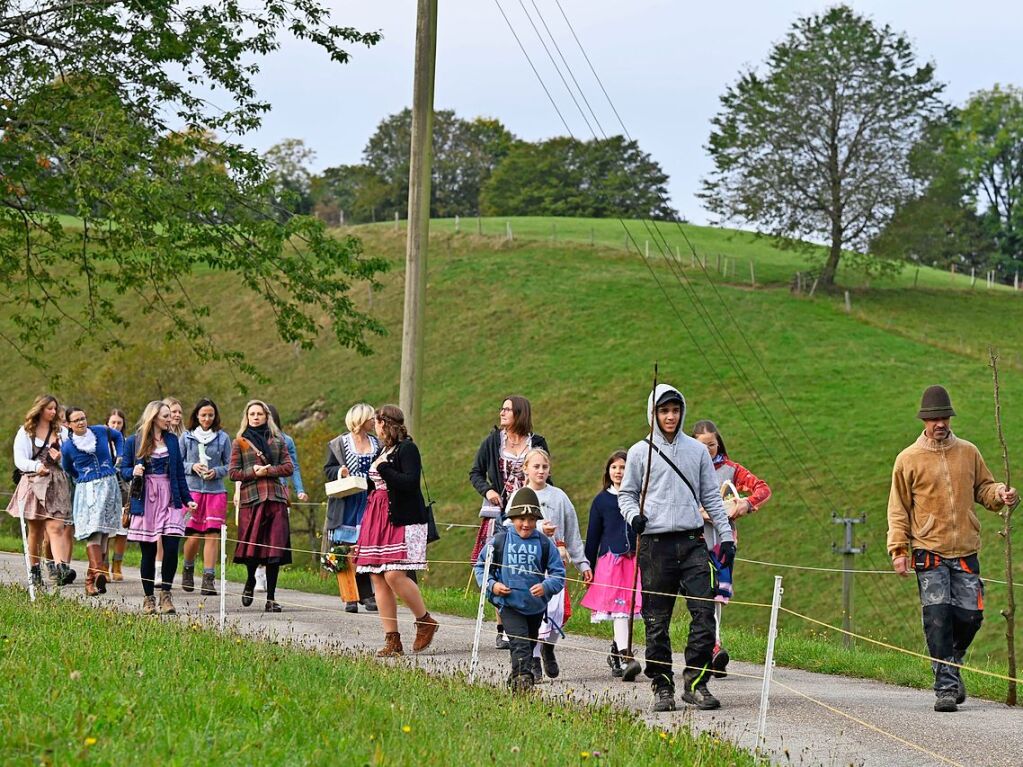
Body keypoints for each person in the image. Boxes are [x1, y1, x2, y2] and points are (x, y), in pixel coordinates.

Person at [887, 385, 1017, 713]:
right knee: (937, 618)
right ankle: (945, 686)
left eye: (944, 416)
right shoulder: (908, 459)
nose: (940, 423)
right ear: (924, 421)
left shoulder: (969, 452)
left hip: (966, 550)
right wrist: (899, 549)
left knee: (971, 616)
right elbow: (898, 508)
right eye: (934, 418)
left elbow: (984, 489)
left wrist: (1001, 493)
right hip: (928, 551)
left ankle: (951, 663)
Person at [619, 383, 735, 713]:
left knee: (704, 613)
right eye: (664, 411)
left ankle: (696, 683)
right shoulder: (640, 452)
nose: (671, 416)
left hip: (692, 540)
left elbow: (712, 497)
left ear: (682, 411)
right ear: (653, 414)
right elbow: (626, 495)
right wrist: (634, 517)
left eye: (675, 410)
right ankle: (662, 686)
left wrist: (725, 537)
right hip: (654, 544)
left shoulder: (696, 451)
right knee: (657, 621)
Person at [355, 404, 439, 656]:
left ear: (385, 423)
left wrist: (383, 468)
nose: (375, 427)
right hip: (377, 517)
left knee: (393, 575)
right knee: (378, 577)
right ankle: (392, 640)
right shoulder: (383, 449)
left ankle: (424, 620)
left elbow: (410, 482)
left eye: (377, 422)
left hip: (401, 518)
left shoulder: (407, 448)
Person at [468, 395, 551, 649]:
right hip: (503, 512)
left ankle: (527, 620)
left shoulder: (537, 442)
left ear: (520, 413)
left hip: (529, 513)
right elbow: (475, 472)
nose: (502, 413)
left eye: (507, 410)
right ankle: (503, 626)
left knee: (526, 565)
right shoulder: (493, 442)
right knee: (500, 566)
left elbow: (546, 473)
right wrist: (488, 491)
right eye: (501, 409)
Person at [691, 419, 772, 678]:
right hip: (692, 540)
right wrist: (698, 513)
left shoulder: (730, 469)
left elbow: (763, 489)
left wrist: (745, 504)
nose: (708, 451)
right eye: (702, 446)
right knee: (700, 595)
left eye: (712, 445)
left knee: (717, 596)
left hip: (723, 542)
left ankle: (713, 649)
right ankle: (710, 648)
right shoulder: (685, 469)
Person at [474, 487, 566, 692]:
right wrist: (492, 585)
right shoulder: (500, 541)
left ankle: (515, 678)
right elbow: (481, 566)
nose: (526, 524)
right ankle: (524, 680)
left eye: (532, 519)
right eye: (521, 519)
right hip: (509, 605)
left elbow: (559, 574)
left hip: (535, 607)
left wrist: (546, 586)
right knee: (520, 642)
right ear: (512, 518)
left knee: (528, 642)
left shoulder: (544, 543)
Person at [522, 447, 591, 681]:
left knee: (559, 611)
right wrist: (539, 528)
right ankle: (533, 659)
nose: (541, 471)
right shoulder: (521, 496)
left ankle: (548, 647)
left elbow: (572, 531)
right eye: (536, 466)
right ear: (526, 469)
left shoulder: (559, 496)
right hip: (528, 564)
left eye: (544, 467)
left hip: (554, 564)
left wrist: (582, 563)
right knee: (532, 612)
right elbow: (510, 526)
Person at [122, 400, 196, 615]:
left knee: (172, 546)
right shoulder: (134, 441)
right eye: (165, 415)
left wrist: (187, 498)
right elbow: (124, 470)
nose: (170, 419)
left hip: (170, 497)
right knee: (149, 550)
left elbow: (179, 474)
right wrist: (132, 471)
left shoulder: (172, 441)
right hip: (146, 498)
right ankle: (148, 598)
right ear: (154, 417)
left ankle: (166, 594)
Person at [581, 450, 643, 681]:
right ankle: (627, 656)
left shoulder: (638, 498)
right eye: (614, 467)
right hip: (611, 562)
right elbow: (593, 535)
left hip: (634, 562)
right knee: (618, 610)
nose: (618, 472)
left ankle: (616, 652)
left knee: (628, 609)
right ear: (608, 471)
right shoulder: (602, 501)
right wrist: (587, 566)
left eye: (623, 467)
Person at [229, 400, 294, 612]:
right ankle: (249, 581)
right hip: (251, 500)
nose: (256, 417)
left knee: (274, 549)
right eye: (252, 414)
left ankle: (271, 598)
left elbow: (288, 467)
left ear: (267, 416)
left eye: (259, 414)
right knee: (252, 548)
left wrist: (269, 471)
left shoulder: (278, 440)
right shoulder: (240, 442)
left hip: (275, 499)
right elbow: (233, 473)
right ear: (247, 418)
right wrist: (253, 473)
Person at [7, 395, 74, 587]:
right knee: (35, 530)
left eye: (55, 409)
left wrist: (61, 457)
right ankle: (35, 570)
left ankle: (62, 568)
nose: (53, 412)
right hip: (34, 482)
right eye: (49, 408)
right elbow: (19, 459)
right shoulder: (26, 431)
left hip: (57, 483)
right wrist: (37, 467)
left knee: (56, 527)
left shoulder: (61, 432)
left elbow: (70, 460)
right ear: (40, 409)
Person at [61, 407, 124, 596]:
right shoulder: (68, 446)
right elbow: (67, 467)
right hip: (88, 490)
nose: (81, 422)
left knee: (104, 533)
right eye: (76, 420)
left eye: (83, 418)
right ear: (69, 424)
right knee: (94, 532)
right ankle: (97, 574)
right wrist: (82, 477)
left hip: (109, 485)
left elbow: (118, 437)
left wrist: (119, 455)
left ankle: (91, 581)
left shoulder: (100, 431)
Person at [324, 402, 379, 613]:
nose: (374, 421)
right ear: (361, 420)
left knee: (364, 547)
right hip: (346, 501)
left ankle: (366, 594)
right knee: (344, 549)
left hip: (369, 500)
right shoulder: (339, 444)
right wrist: (340, 471)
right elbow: (328, 470)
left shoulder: (376, 443)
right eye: (371, 418)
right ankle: (350, 596)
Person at [179, 398, 232, 596]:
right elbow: (177, 463)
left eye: (210, 415)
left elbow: (229, 465)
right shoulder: (186, 437)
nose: (207, 419)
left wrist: (216, 472)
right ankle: (188, 568)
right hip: (192, 491)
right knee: (192, 535)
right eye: (203, 415)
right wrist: (192, 467)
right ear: (197, 416)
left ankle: (209, 579)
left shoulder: (223, 438)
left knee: (213, 535)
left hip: (215, 492)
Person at [256, 404, 308, 593]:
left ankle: (269, 576)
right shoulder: (252, 440)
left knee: (275, 537)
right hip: (258, 494)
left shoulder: (286, 440)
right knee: (260, 534)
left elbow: (294, 467)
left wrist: (300, 490)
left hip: (280, 494)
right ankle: (259, 572)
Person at [155, 397, 186, 576]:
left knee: (175, 532)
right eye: (172, 412)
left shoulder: (184, 436)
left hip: (179, 487)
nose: (176, 415)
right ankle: (158, 568)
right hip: (159, 488)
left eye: (179, 412)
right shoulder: (152, 437)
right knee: (160, 531)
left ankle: (170, 570)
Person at [106, 408, 131, 581]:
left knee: (122, 530)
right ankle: (102, 565)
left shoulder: (127, 442)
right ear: (107, 423)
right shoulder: (100, 443)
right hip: (105, 490)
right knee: (105, 532)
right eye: (113, 422)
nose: (116, 425)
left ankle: (117, 565)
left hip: (123, 489)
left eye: (119, 423)